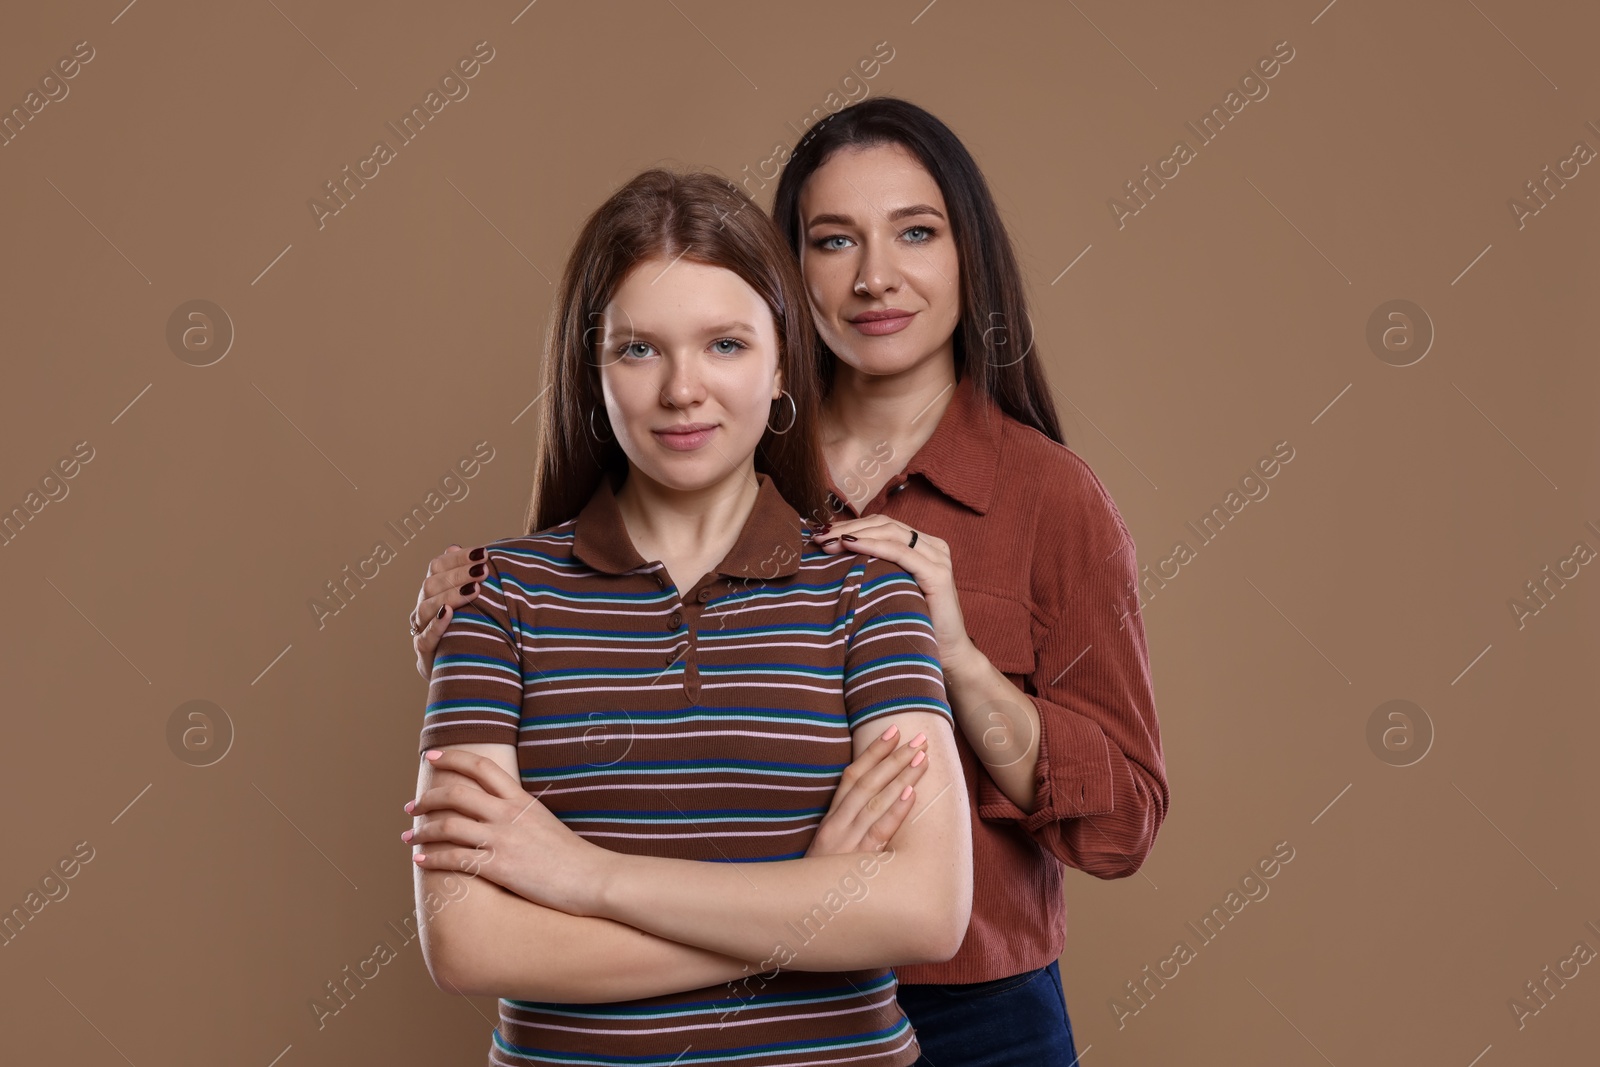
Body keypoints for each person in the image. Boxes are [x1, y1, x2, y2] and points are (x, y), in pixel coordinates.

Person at [410, 97, 1169, 1067]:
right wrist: (804, 906)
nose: (874, 276)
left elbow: (1104, 829)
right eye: (832, 239)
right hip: (727, 997)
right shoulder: (618, 523)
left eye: (915, 232)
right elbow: (475, 927)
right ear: (789, 279)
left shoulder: (1033, 502)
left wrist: (961, 666)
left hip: (969, 1005)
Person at [405, 167, 973, 1067]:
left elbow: (927, 909)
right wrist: (811, 903)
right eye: (639, 350)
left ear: (783, 359)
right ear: (590, 369)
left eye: (725, 345)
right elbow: (469, 940)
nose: (682, 389)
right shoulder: (491, 595)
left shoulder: (869, 591)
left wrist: (586, 876)